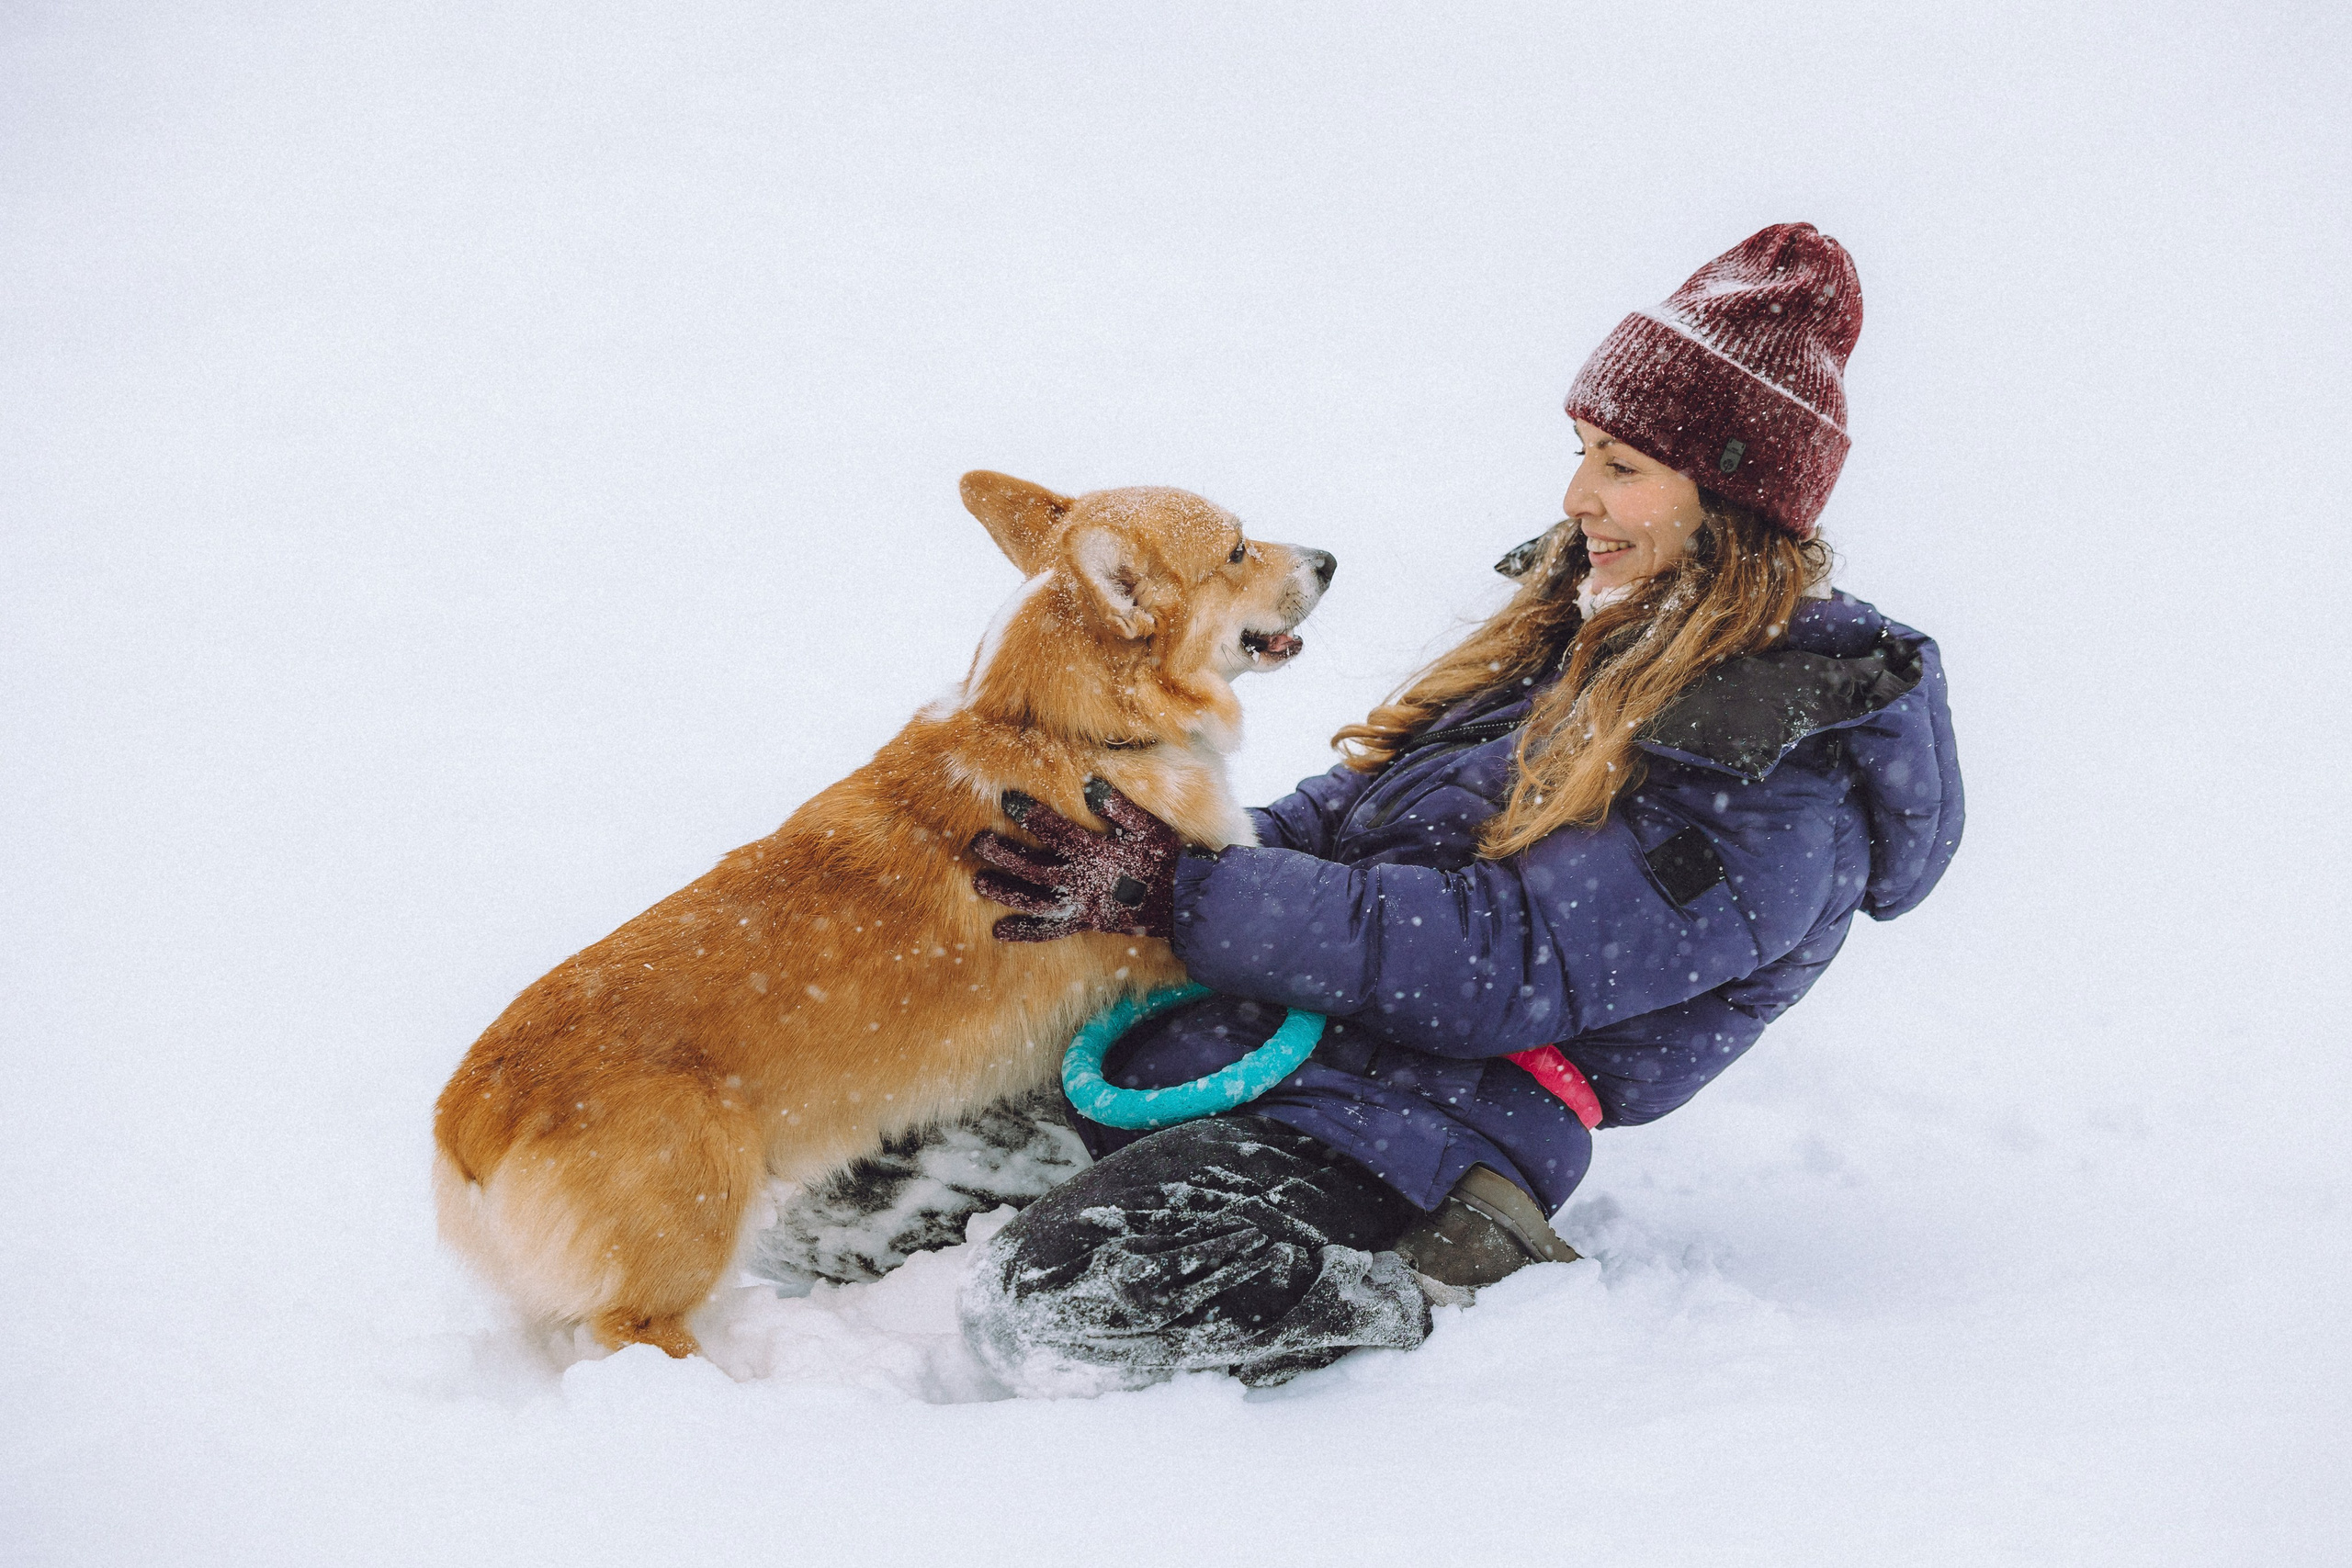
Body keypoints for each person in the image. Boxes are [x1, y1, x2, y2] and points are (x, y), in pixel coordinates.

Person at [752, 222, 1962, 1395]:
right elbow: (1340, 819)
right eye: (1584, 450)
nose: (1578, 494)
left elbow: (1502, 960)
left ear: (1732, 499)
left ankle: (1422, 1279)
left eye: (1622, 466)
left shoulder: (1776, 785)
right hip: (1270, 1041)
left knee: (1076, 1304)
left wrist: (1189, 890)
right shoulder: (1568, 650)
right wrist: (1125, 852)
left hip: (1426, 1128)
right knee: (853, 1191)